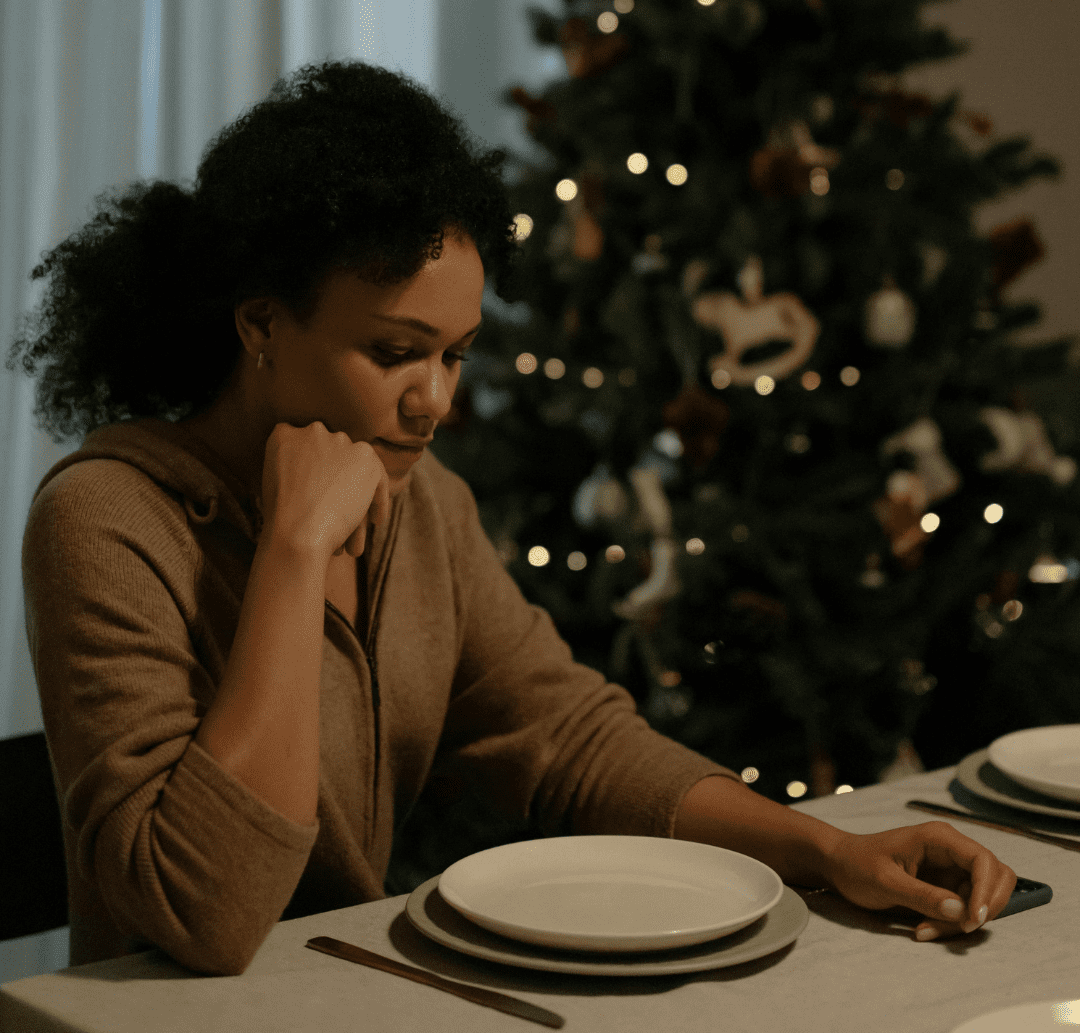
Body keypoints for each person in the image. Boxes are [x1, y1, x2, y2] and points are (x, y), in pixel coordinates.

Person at [9, 59, 1015, 977]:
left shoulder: (424, 503)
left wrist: (830, 850)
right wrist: (292, 545)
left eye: (456, 352)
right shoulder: (106, 519)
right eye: (396, 351)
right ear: (262, 324)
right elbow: (205, 916)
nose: (435, 401)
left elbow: (566, 734)